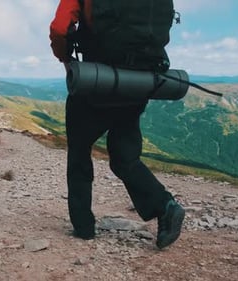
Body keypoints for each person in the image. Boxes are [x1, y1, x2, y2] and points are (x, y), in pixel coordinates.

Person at [49, 0, 185, 249]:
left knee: (79, 152)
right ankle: (165, 206)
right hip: (139, 83)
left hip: (97, 81)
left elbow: (60, 28)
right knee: (125, 157)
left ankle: (84, 227)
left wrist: (65, 58)